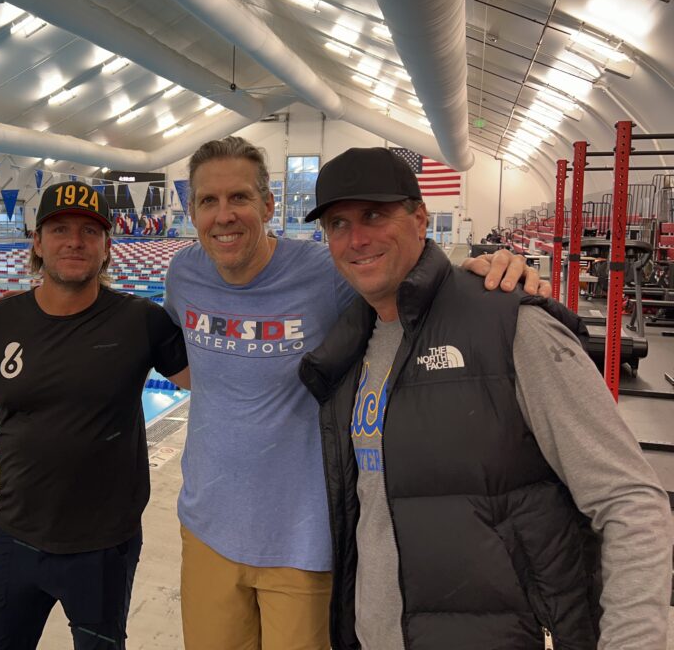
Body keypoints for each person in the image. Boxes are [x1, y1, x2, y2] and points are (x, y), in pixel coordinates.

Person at [164, 136, 546, 650]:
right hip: (206, 529)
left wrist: (490, 272)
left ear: (269, 205)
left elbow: (412, 283)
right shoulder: (182, 275)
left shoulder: (327, 273)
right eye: (208, 201)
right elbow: (191, 373)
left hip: (304, 542)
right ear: (192, 211)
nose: (224, 215)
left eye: (240, 198)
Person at [298, 147, 673, 650]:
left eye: (373, 215)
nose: (356, 238)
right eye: (338, 224)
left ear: (419, 217)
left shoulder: (512, 326)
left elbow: (630, 500)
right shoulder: (350, 346)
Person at [0, 180, 190, 650]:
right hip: (15, 539)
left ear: (107, 247)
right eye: (59, 229)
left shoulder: (140, 321)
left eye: (90, 231)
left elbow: (217, 380)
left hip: (104, 548)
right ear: (37, 243)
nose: (74, 241)